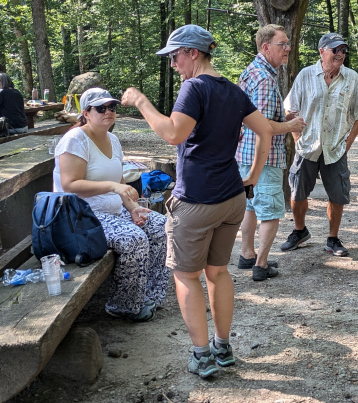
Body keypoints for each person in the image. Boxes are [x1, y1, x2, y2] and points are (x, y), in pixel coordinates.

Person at [121, 25, 272, 379]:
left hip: (197, 201)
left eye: (174, 56)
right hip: (233, 197)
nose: (173, 64)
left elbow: (173, 132)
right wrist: (252, 175)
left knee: (187, 276)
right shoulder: (233, 91)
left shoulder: (194, 87)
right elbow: (265, 130)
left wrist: (141, 101)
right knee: (218, 272)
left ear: (192, 52)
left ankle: (202, 356)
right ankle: (223, 347)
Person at [54, 87, 169, 321]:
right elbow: (69, 184)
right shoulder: (75, 139)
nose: (108, 112)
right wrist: (113, 187)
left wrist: (133, 208)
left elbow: (119, 181)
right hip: (81, 217)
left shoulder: (113, 140)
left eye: (112, 107)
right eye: (101, 108)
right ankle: (124, 306)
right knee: (134, 239)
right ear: (86, 113)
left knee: (159, 226)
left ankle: (149, 295)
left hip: (113, 212)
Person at [281, 33, 358, 256]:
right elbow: (290, 109)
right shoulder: (306, 75)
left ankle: (333, 239)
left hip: (336, 148)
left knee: (337, 195)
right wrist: (297, 138)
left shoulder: (351, 78)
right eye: (335, 49)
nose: (340, 53)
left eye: (343, 50)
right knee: (298, 192)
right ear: (322, 52)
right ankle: (299, 231)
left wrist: (349, 141)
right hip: (308, 146)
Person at [237, 24, 306, 281]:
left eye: (288, 43)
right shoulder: (265, 79)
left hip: (245, 155)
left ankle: (247, 254)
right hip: (263, 158)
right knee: (272, 211)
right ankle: (261, 264)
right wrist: (289, 125)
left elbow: (253, 117)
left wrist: (283, 116)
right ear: (266, 47)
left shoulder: (253, 71)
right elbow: (263, 128)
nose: (288, 48)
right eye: (282, 44)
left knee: (250, 206)